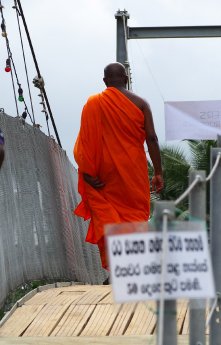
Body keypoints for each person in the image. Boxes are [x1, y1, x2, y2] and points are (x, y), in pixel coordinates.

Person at [74, 62, 164, 271]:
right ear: (126, 79)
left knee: (108, 219)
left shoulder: (93, 103)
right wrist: (158, 172)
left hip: (103, 175)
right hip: (133, 171)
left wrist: (87, 172)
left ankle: (116, 270)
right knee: (134, 218)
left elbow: (84, 144)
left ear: (105, 81)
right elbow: (151, 138)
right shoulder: (141, 104)